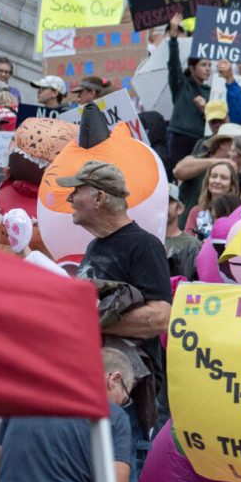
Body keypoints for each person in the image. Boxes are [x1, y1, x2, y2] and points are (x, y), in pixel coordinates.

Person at [64, 160, 172, 436]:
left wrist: (90, 321)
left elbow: (161, 316)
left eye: (76, 191)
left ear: (99, 197)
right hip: (90, 386)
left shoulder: (143, 245)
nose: (69, 198)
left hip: (127, 396)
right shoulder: (94, 245)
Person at [0, 348, 136, 482]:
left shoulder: (23, 400)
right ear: (114, 379)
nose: (120, 405)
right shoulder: (113, 415)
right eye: (124, 399)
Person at [166, 13, 212, 164]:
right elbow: (174, 65)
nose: (208, 69)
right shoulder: (181, 85)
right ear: (192, 68)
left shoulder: (209, 91)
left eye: (209, 65)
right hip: (179, 137)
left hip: (201, 140)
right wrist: (173, 38)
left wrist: (205, 111)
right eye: (203, 65)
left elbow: (216, 120)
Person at [183, 159, 239, 240]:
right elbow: (188, 242)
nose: (217, 181)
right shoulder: (196, 211)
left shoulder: (236, 212)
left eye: (224, 178)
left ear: (231, 184)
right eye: (214, 176)